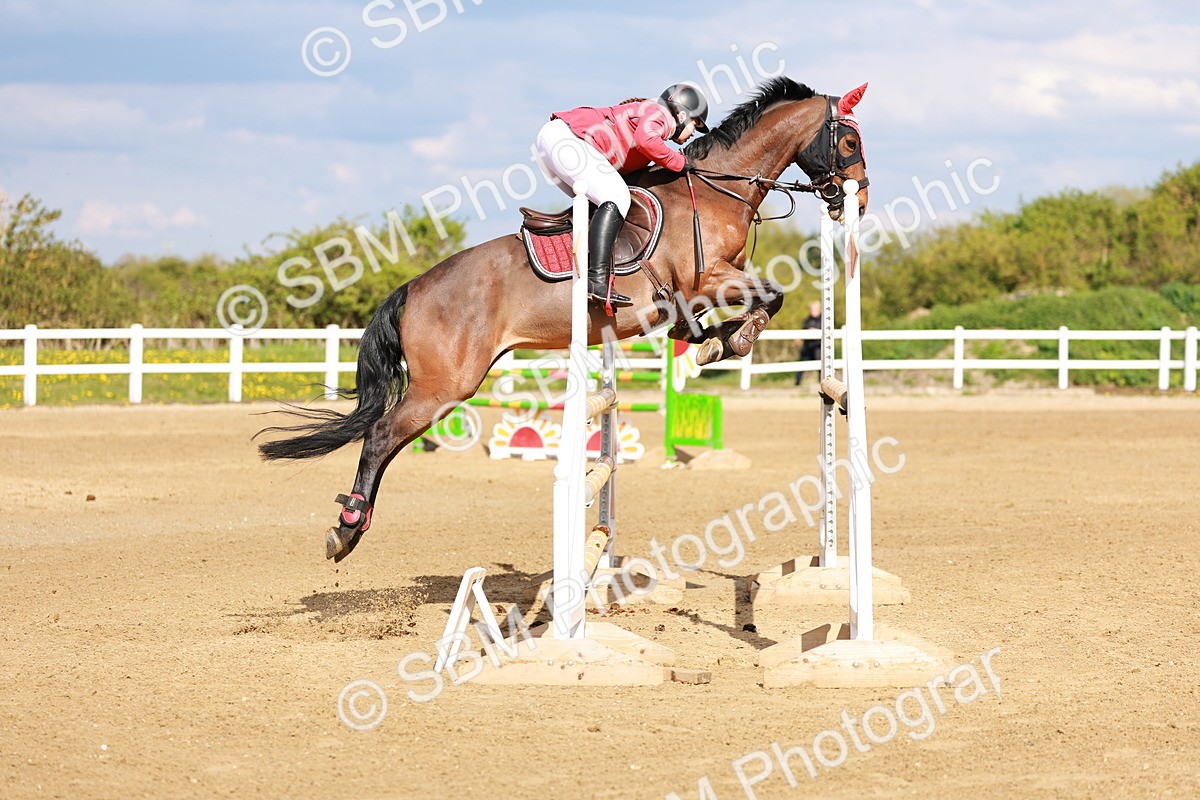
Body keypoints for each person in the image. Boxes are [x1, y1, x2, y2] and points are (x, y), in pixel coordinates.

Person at [535, 84, 710, 308]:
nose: (693, 133)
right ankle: (597, 279)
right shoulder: (661, 114)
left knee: (598, 204)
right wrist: (680, 162)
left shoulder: (649, 116)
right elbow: (647, 140)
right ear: (682, 114)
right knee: (617, 197)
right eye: (695, 124)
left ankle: (573, 266)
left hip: (555, 142)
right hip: (566, 140)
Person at [795, 301, 822, 385]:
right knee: (801, 364)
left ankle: (822, 383)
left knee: (820, 366)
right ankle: (797, 383)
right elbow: (803, 329)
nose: (812, 311)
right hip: (807, 346)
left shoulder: (824, 320)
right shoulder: (808, 319)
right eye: (811, 309)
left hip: (818, 346)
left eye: (814, 309)